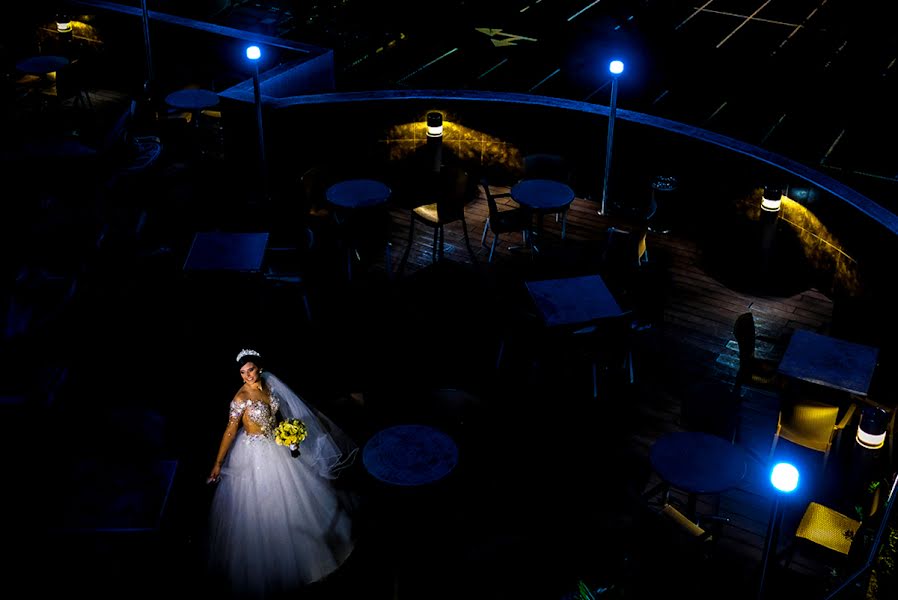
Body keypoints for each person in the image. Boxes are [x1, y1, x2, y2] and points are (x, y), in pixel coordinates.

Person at [206, 348, 359, 598]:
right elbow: (230, 431)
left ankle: (315, 555)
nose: (247, 377)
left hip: (275, 445)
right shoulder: (241, 398)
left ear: (259, 368)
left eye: (251, 370)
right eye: (243, 373)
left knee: (298, 496)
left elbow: (279, 416)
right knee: (265, 504)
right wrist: (218, 463)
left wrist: (288, 436)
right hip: (254, 453)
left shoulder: (269, 385)